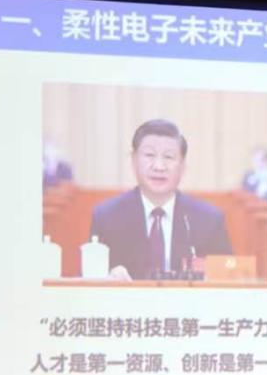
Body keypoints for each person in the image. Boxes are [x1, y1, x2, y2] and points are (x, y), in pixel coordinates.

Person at [89, 119, 232, 281]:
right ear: (134, 160)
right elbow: (90, 278)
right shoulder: (107, 217)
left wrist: (211, 278)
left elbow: (227, 276)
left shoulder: (208, 220)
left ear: (182, 166)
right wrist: (108, 278)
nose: (159, 166)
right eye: (149, 155)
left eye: (169, 157)